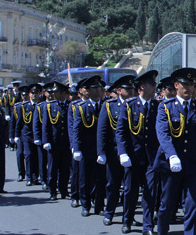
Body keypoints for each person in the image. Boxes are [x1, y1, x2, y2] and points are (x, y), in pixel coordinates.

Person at [154, 68, 196, 235]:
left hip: (192, 165)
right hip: (171, 165)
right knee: (166, 205)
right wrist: (171, 156)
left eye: (192, 85)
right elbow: (163, 134)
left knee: (192, 207)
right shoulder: (165, 107)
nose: (189, 88)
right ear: (176, 85)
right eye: (185, 84)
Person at [116, 70, 160, 235]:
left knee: (150, 191)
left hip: (151, 157)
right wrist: (123, 153)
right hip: (133, 155)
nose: (154, 88)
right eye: (151, 85)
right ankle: (127, 220)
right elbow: (120, 132)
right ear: (142, 87)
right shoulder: (129, 106)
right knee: (130, 191)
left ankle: (148, 226)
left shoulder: (158, 106)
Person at [97, 75, 136, 226]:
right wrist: (101, 152)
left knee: (130, 187)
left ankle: (128, 217)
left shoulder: (135, 105)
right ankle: (109, 213)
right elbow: (102, 131)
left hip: (131, 152)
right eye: (128, 89)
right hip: (114, 152)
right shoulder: (109, 105)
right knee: (113, 184)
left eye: (133, 88)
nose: (131, 91)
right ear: (119, 91)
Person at [71, 76, 107, 217]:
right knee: (85, 179)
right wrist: (77, 148)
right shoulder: (81, 108)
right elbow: (77, 130)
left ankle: (99, 205)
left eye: (99, 88)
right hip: (87, 149)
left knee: (101, 179)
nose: (98, 91)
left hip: (101, 149)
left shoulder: (106, 106)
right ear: (87, 91)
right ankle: (85, 204)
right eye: (94, 88)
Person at [41, 81, 71, 200]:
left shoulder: (70, 105)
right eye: (54, 92)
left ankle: (63, 190)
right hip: (54, 142)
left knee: (65, 168)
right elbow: (46, 126)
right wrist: (46, 141)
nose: (54, 94)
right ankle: (52, 191)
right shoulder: (49, 106)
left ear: (64, 93)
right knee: (53, 168)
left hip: (66, 142)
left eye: (57, 92)